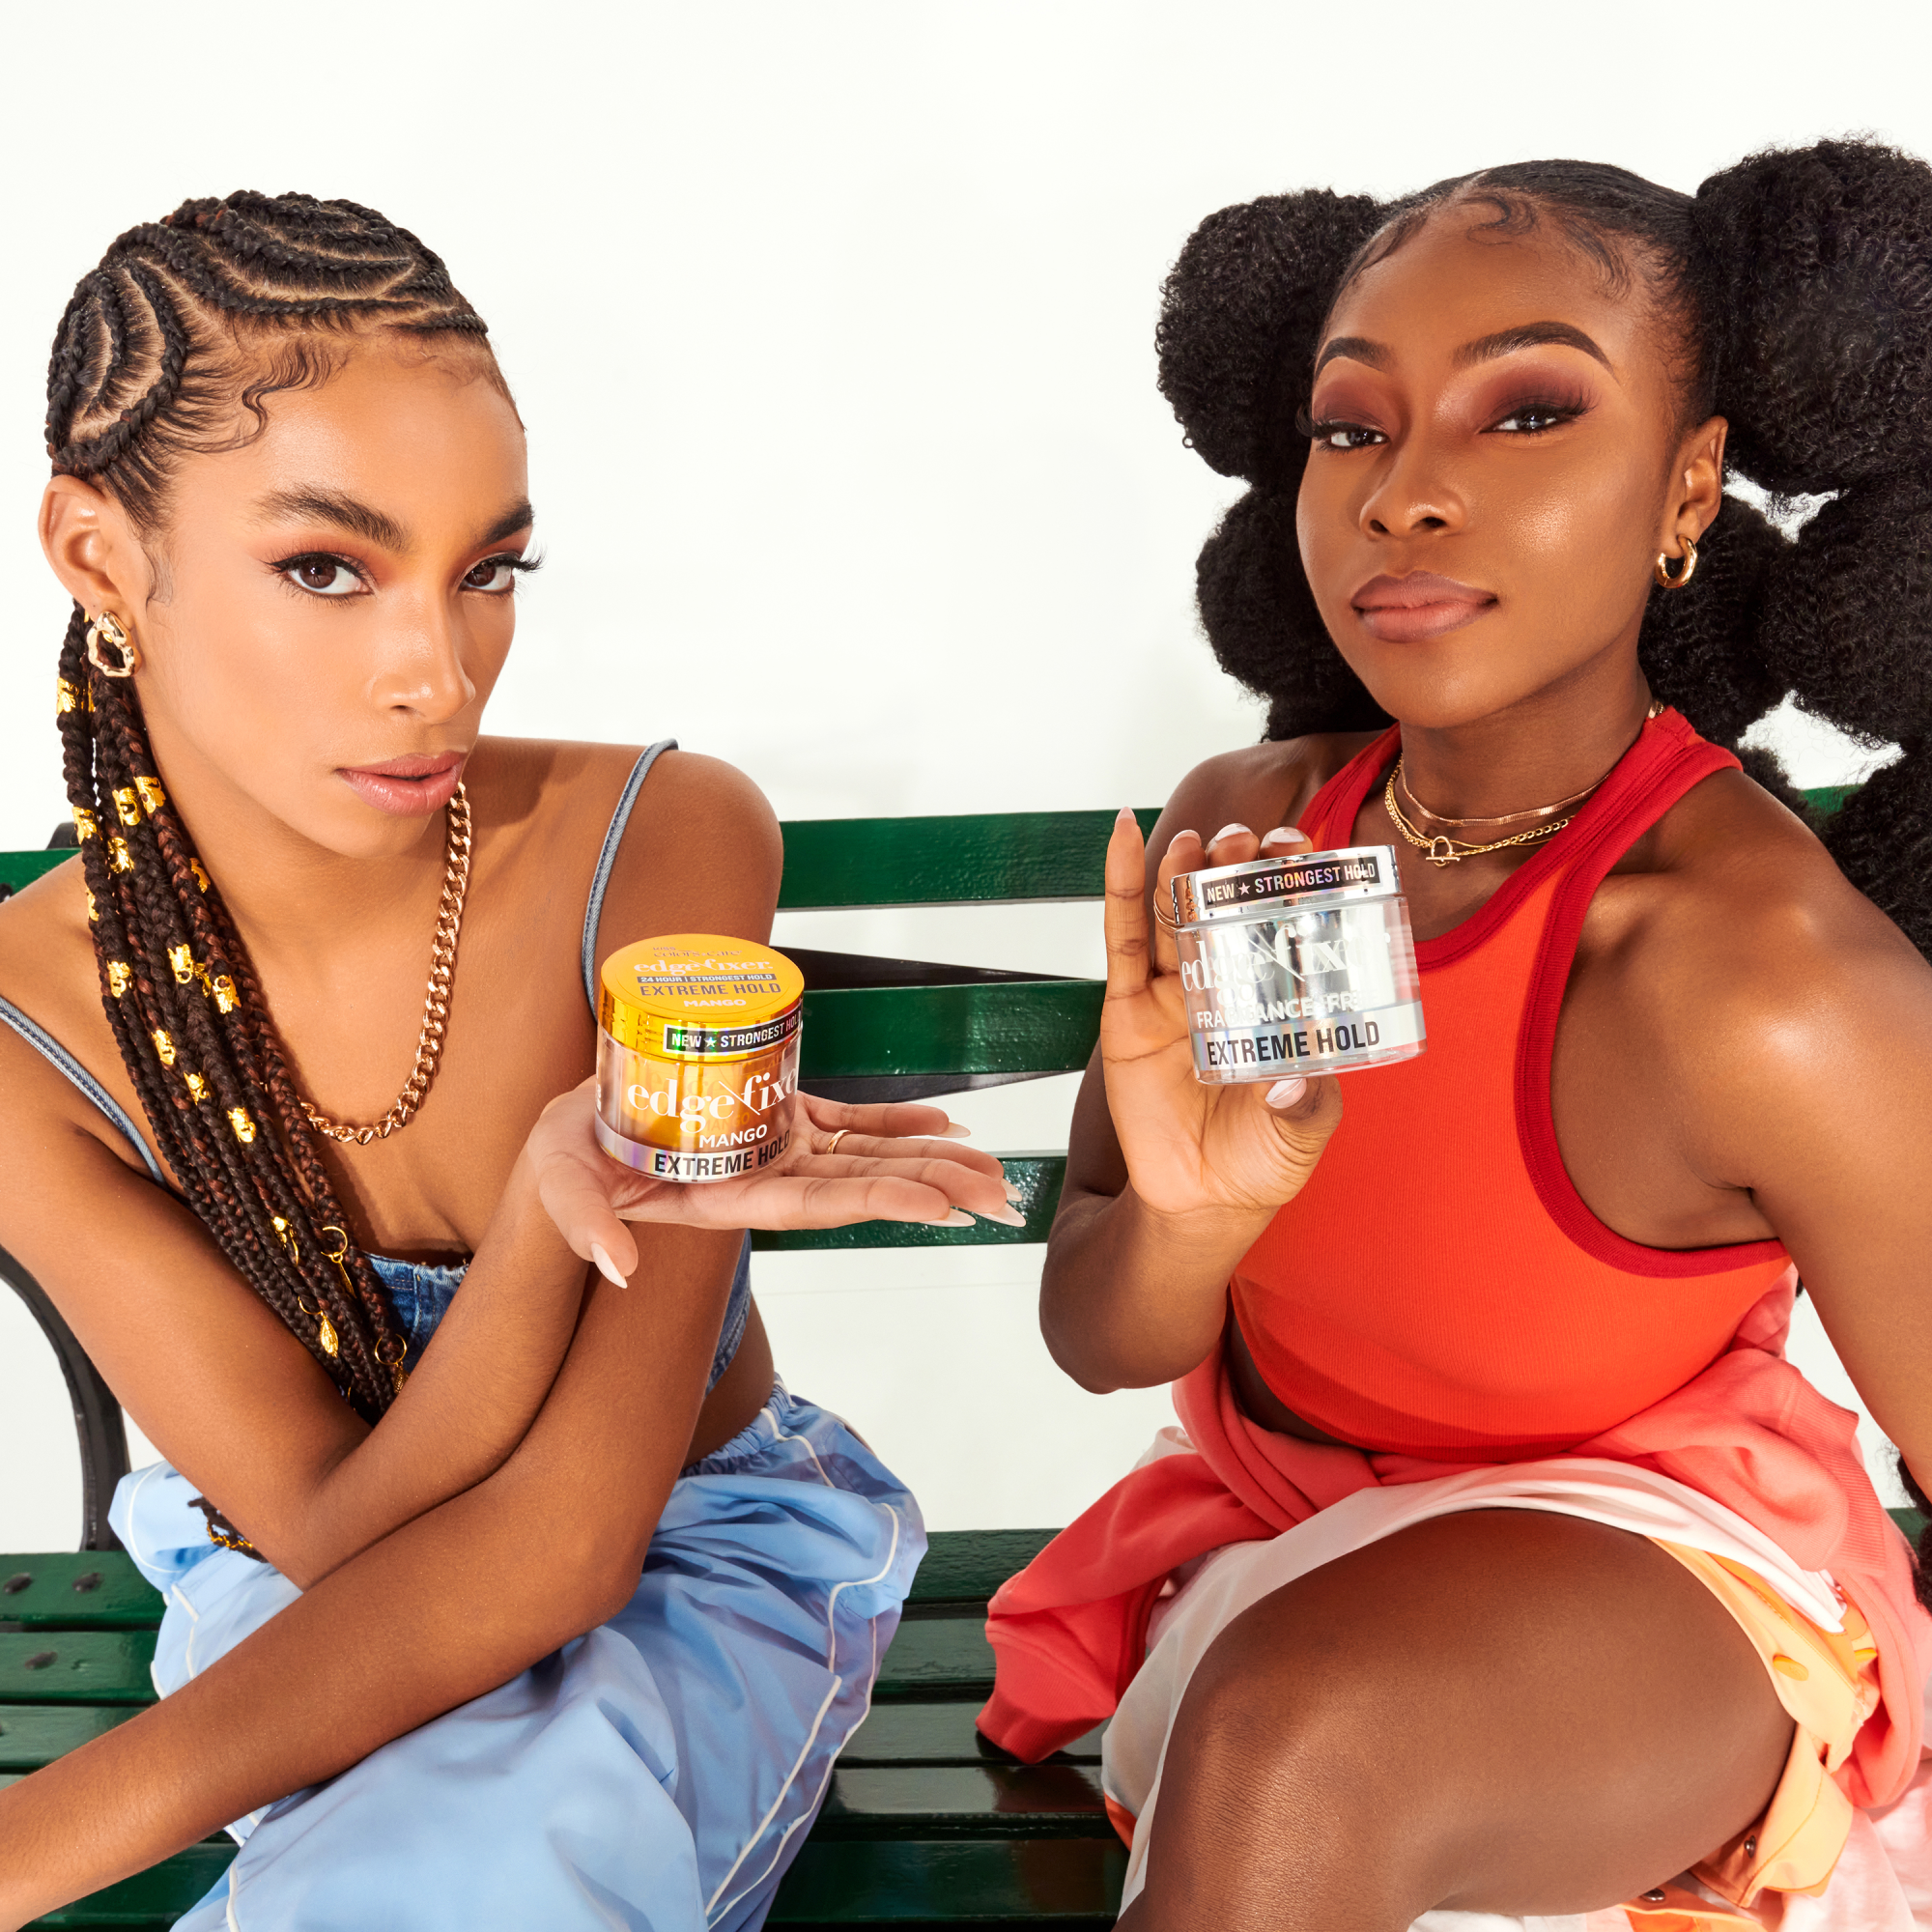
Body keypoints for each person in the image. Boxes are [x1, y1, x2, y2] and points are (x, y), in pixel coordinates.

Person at [0, 191, 1019, 1932]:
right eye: (327, 567)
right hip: (292, 1597)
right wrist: (544, 1218)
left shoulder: (664, 846)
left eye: (488, 572)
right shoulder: (29, 1022)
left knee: (473, 1872)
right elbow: (319, 1533)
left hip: (686, 1563)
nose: (435, 670)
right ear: (102, 559)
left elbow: (566, 1548)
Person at [978, 145, 1932, 1931]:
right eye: (1356, 428)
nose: (1408, 494)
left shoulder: (1760, 978)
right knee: (1284, 1716)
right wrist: (1193, 1220)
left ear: (1689, 489)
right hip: (1275, 1555)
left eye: (1527, 414)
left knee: (1290, 1743)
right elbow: (1099, 1337)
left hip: (1661, 1593)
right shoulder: (1244, 836)